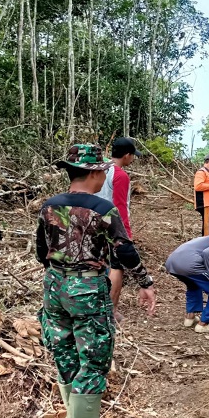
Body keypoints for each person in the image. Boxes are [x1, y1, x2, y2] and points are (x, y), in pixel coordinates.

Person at [36, 144, 157, 418]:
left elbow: (42, 251)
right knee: (92, 363)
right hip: (88, 288)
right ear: (95, 173)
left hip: (54, 286)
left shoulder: (49, 205)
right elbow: (125, 251)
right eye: (102, 171)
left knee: (63, 353)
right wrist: (145, 282)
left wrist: (61, 273)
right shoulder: (102, 208)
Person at [95, 137, 141, 322]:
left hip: (91, 224)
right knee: (116, 267)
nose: (133, 159)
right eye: (133, 156)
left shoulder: (98, 168)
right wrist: (125, 236)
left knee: (98, 265)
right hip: (111, 226)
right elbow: (120, 207)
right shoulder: (120, 175)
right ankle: (111, 311)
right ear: (127, 155)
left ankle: (96, 307)